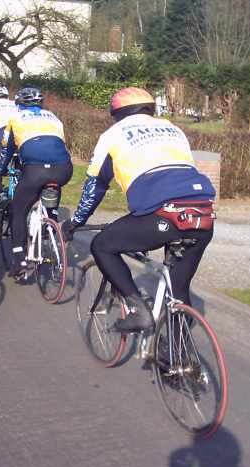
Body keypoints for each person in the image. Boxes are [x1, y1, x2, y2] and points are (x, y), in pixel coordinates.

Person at [61, 87, 216, 333]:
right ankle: (178, 360)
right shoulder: (173, 129)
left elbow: (96, 185)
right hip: (202, 213)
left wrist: (76, 221)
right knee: (179, 291)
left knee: (102, 245)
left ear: (117, 113)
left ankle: (138, 310)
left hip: (162, 214)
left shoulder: (113, 135)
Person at [0, 86, 73, 278]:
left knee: (18, 210)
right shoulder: (54, 117)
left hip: (34, 170)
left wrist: (0, 169)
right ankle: (50, 223)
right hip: (64, 168)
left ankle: (19, 258)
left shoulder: (14, 119)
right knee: (51, 188)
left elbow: (7, 150)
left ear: (19, 105)